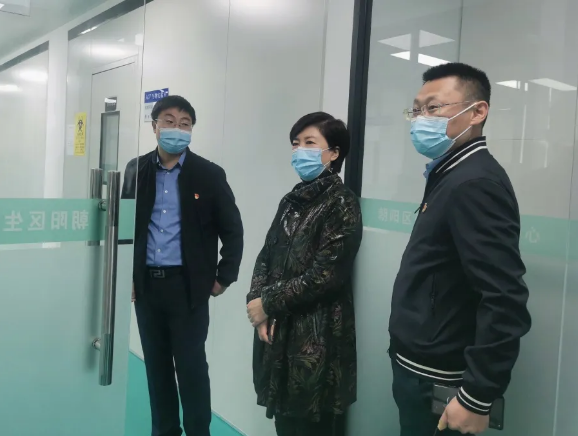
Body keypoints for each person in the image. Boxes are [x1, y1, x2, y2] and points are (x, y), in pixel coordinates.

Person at [389, 62, 531, 435]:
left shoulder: (474, 183)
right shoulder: (450, 173)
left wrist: (477, 395)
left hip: (441, 380)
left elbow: (504, 297)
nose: (421, 119)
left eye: (433, 108)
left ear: (478, 111)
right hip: (421, 365)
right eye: (416, 110)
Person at [121, 95, 244, 436]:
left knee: (191, 370)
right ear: (154, 126)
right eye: (170, 121)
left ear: (191, 130)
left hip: (188, 289)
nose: (177, 128)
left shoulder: (208, 174)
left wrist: (223, 277)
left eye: (185, 123)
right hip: (147, 289)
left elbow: (233, 230)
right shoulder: (136, 170)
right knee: (156, 368)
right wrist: (126, 274)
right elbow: (125, 228)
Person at [246, 112, 363, 436]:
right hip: (278, 329)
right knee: (285, 424)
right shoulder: (292, 200)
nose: (300, 150)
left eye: (310, 143)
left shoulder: (342, 203)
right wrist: (257, 303)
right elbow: (267, 254)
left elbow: (325, 275)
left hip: (317, 337)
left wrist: (268, 303)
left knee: (312, 425)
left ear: (334, 153)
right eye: (296, 143)